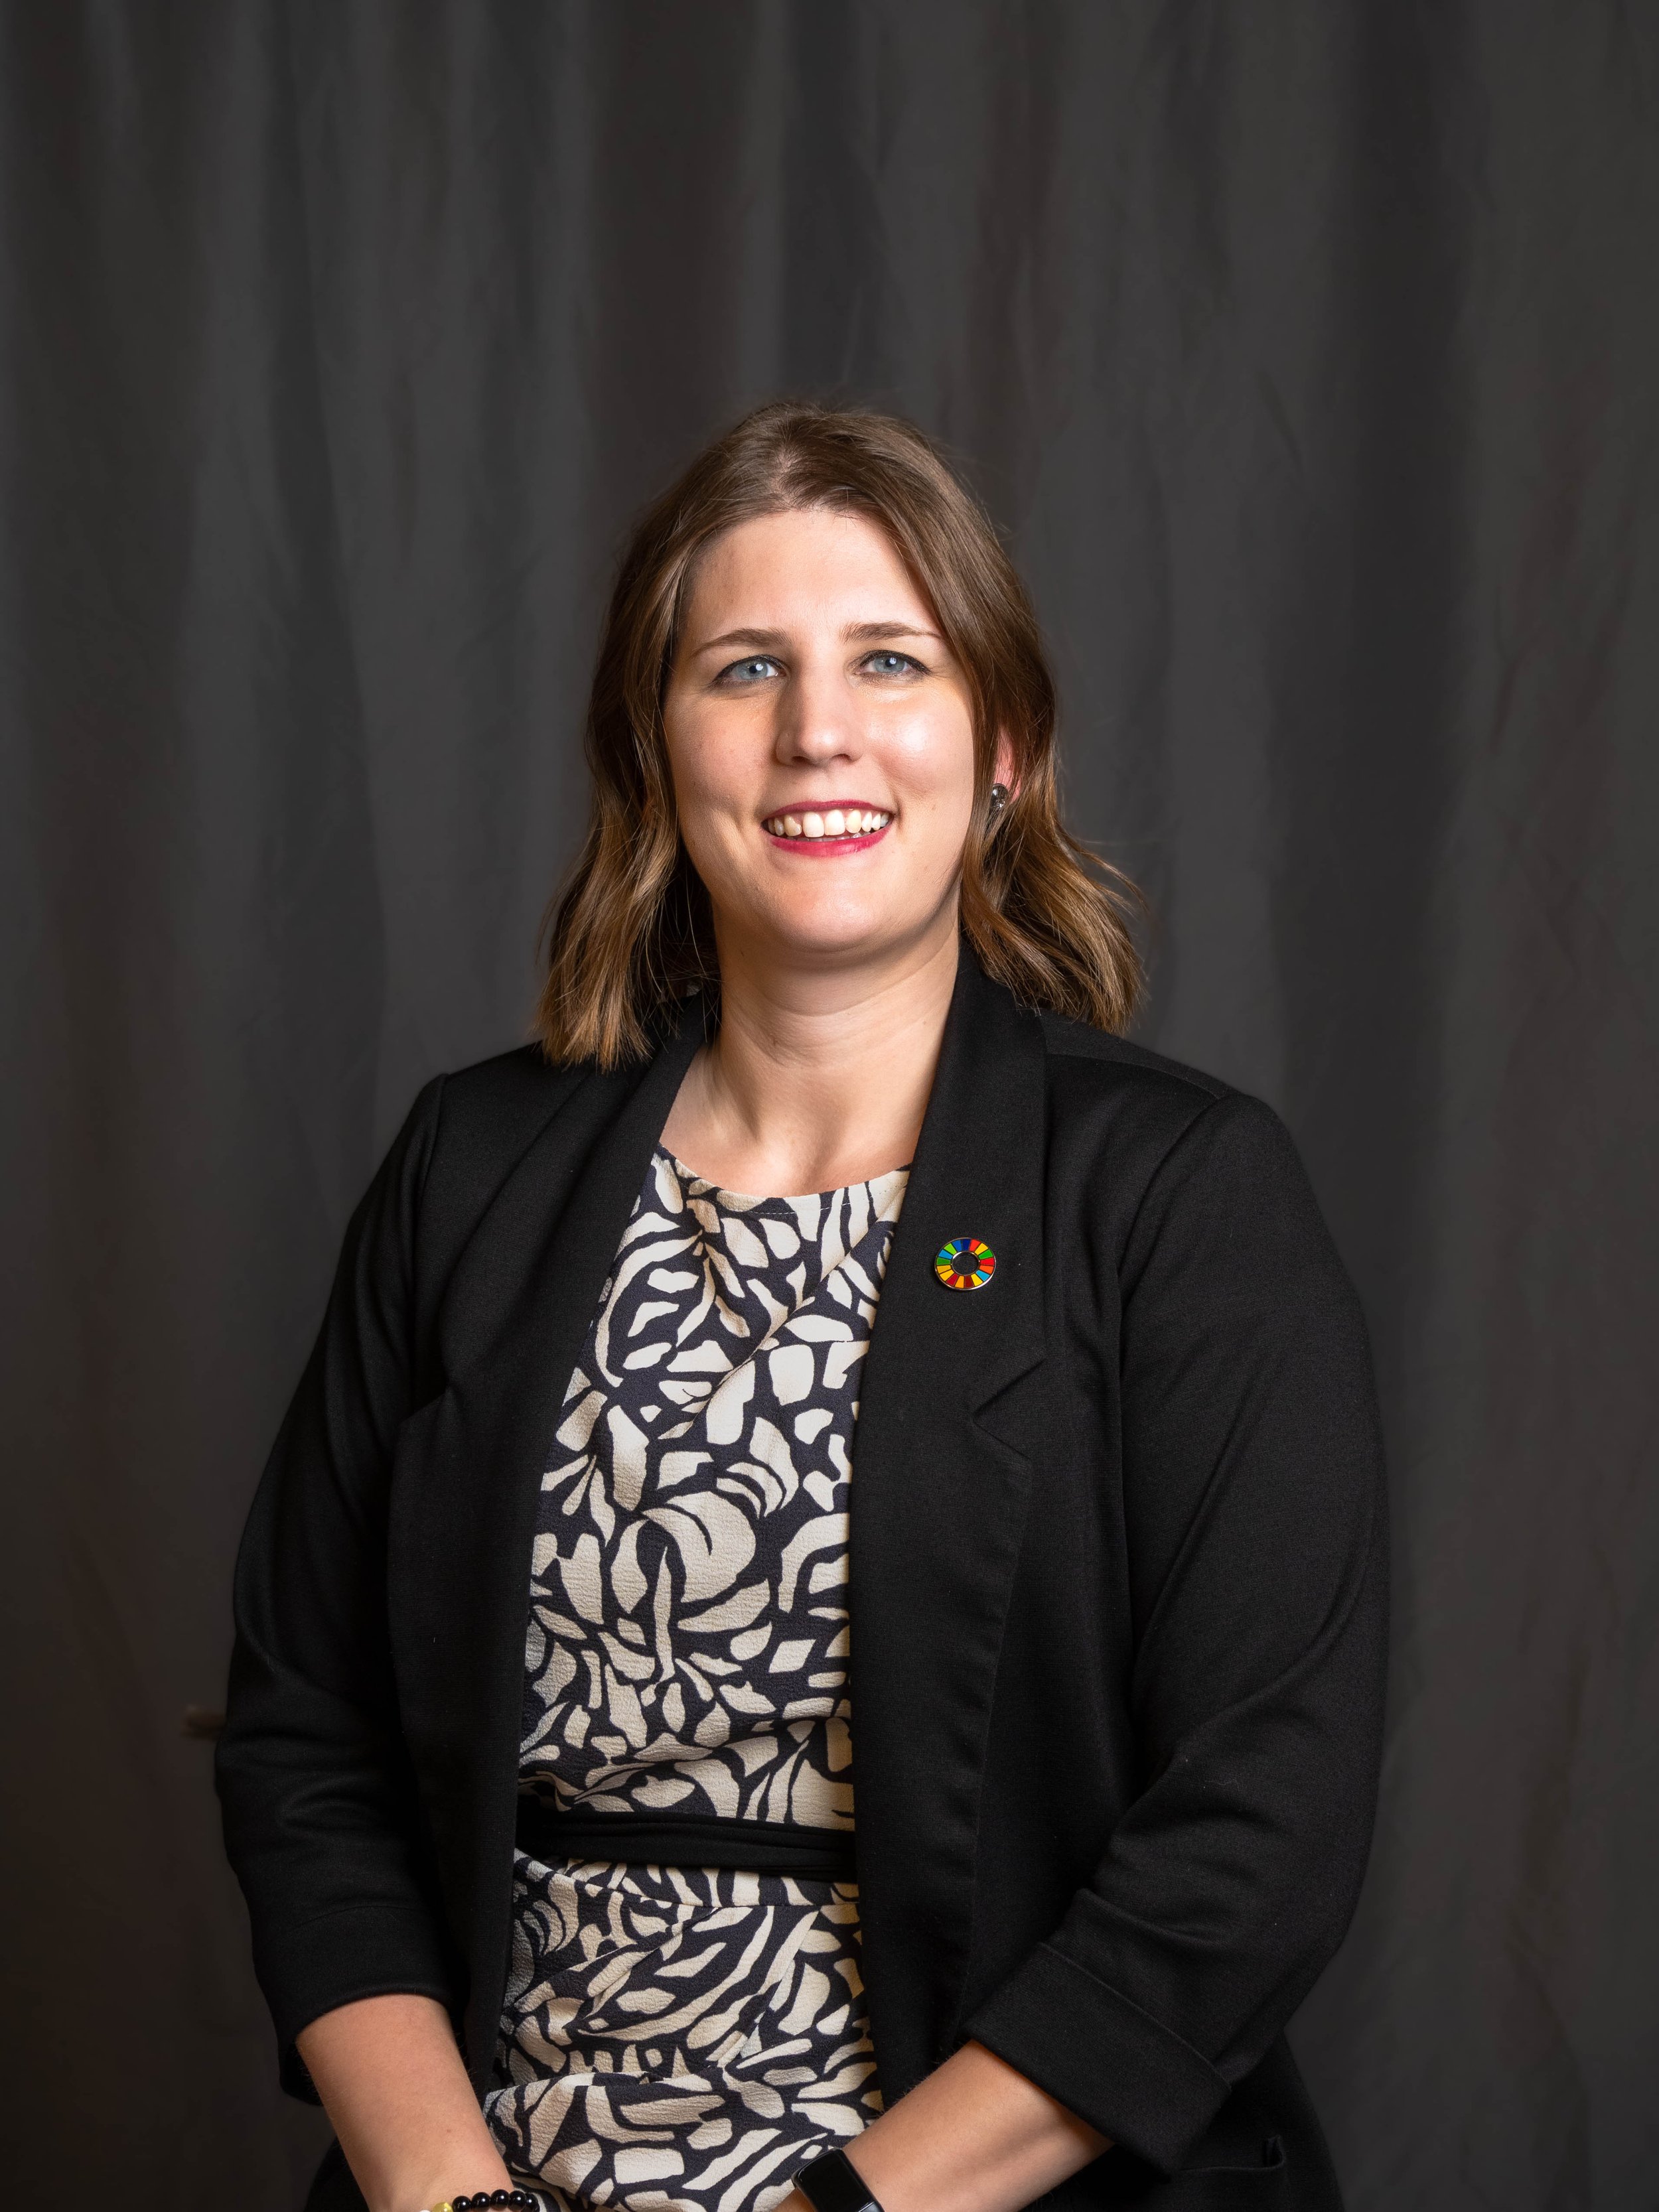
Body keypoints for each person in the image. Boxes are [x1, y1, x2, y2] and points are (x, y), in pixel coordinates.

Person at [218, 402, 1386, 2212]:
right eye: (742, 667)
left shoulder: (1172, 1197)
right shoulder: (472, 1167)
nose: (815, 731)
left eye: (889, 662)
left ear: (1001, 744)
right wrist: (450, 2196)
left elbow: (1261, 1830)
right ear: (653, 749)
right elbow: (305, 1728)